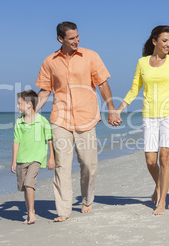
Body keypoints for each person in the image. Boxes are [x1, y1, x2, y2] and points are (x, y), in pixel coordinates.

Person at [35, 21, 121, 222]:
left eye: (77, 36)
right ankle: (63, 210)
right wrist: (32, 112)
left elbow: (102, 83)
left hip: (86, 117)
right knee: (62, 166)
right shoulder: (50, 61)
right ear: (60, 39)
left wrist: (111, 109)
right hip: (60, 118)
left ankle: (87, 200)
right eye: (72, 38)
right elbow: (45, 90)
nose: (77, 40)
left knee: (89, 164)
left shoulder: (90, 56)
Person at [115, 25, 169, 215]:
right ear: (155, 41)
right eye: (164, 41)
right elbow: (134, 88)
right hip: (150, 114)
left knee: (164, 157)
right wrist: (119, 110)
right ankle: (160, 184)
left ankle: (162, 201)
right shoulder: (142, 63)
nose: (168, 44)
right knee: (150, 160)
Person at [11, 90, 55, 224]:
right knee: (24, 186)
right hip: (21, 159)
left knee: (29, 183)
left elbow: (50, 139)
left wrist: (51, 157)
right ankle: (30, 210)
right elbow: (16, 142)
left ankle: (31, 213)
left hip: (36, 158)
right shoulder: (19, 123)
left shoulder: (42, 121)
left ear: (29, 104)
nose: (17, 106)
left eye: (19, 104)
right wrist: (13, 161)